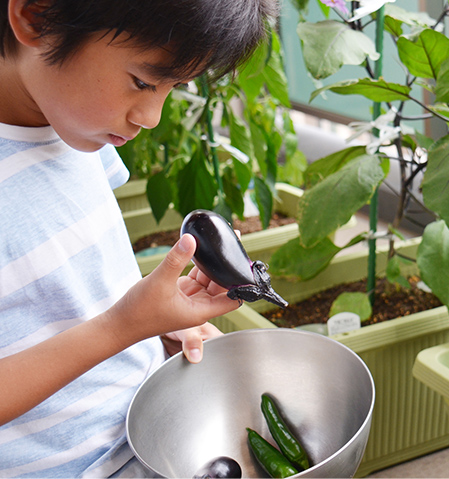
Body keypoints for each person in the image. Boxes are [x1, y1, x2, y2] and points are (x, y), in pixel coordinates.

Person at [0, 0, 278, 475]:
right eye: (144, 81)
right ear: (36, 16)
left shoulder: (75, 129)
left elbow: (75, 279)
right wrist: (121, 328)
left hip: (150, 433)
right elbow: (107, 325)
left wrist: (155, 323)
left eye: (174, 87)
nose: (152, 115)